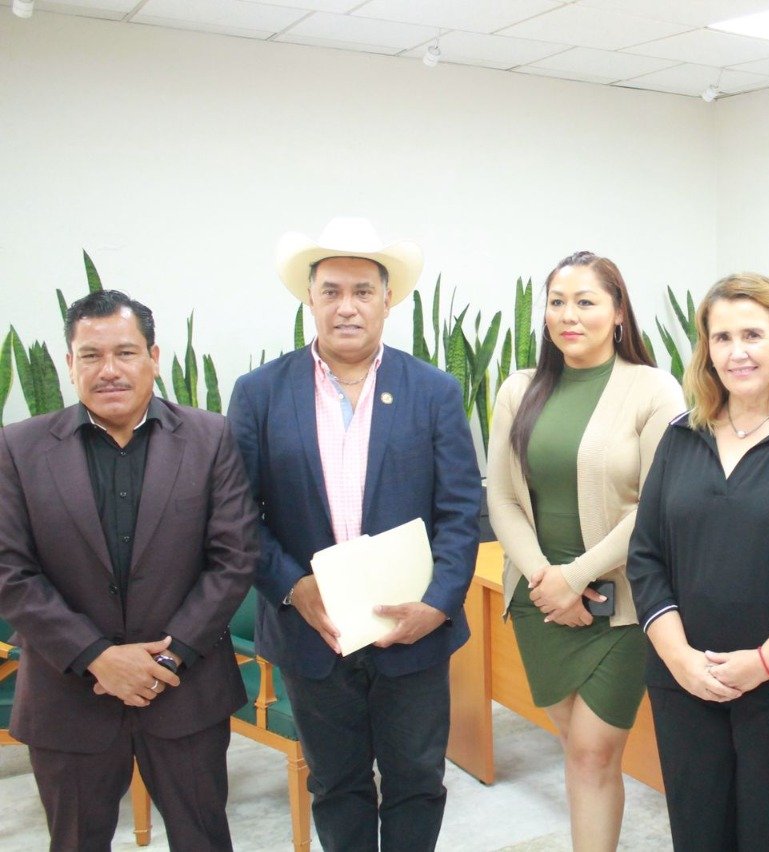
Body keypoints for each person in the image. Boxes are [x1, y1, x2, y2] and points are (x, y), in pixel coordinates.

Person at [227, 217, 482, 851]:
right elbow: (237, 514)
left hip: (413, 631)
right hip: (313, 633)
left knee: (417, 780)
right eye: (332, 291)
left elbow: (460, 511)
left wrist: (438, 604)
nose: (347, 307)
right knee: (336, 785)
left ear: (387, 301)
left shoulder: (434, 391)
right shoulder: (259, 394)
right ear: (309, 300)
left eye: (363, 291)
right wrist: (293, 587)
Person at [0, 290, 257, 850]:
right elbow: (8, 571)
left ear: (153, 357)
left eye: (125, 352)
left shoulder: (210, 437)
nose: (109, 370)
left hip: (185, 691)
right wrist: (96, 656)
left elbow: (234, 557)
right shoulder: (18, 447)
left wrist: (168, 657)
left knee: (203, 839)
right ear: (69, 364)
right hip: (68, 697)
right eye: (91, 355)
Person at [628, 272, 769, 851]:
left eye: (753, 335)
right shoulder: (681, 436)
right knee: (699, 836)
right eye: (722, 337)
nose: (737, 352)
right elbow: (646, 557)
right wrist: (681, 660)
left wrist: (761, 664)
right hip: (686, 688)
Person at [487, 251, 684, 850]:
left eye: (586, 302)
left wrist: (577, 576)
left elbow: (657, 503)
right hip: (539, 600)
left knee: (596, 752)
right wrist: (549, 582)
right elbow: (502, 496)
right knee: (576, 749)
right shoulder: (519, 389)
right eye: (557, 302)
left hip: (620, 602)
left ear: (619, 312)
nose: (568, 315)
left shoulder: (654, 389)